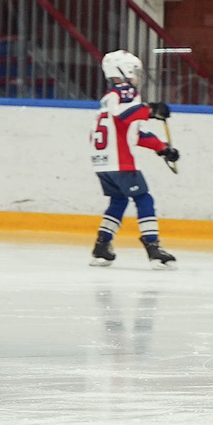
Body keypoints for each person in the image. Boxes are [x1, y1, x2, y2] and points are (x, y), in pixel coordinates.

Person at [88, 50, 177, 267]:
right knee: (144, 199)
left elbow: (134, 132)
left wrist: (162, 148)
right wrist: (152, 110)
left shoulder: (108, 98)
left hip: (102, 163)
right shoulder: (125, 92)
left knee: (118, 200)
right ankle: (153, 247)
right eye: (135, 71)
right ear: (124, 72)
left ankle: (102, 246)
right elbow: (126, 115)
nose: (138, 76)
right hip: (121, 162)